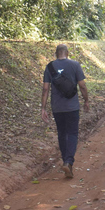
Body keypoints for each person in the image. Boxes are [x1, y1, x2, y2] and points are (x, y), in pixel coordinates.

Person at [41, 44, 90, 179]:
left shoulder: (49, 67)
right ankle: (68, 161)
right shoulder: (75, 65)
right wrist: (86, 100)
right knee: (72, 133)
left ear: (56, 53)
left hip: (57, 108)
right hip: (72, 107)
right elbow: (82, 85)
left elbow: (45, 89)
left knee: (62, 133)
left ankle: (65, 161)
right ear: (67, 53)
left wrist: (43, 108)